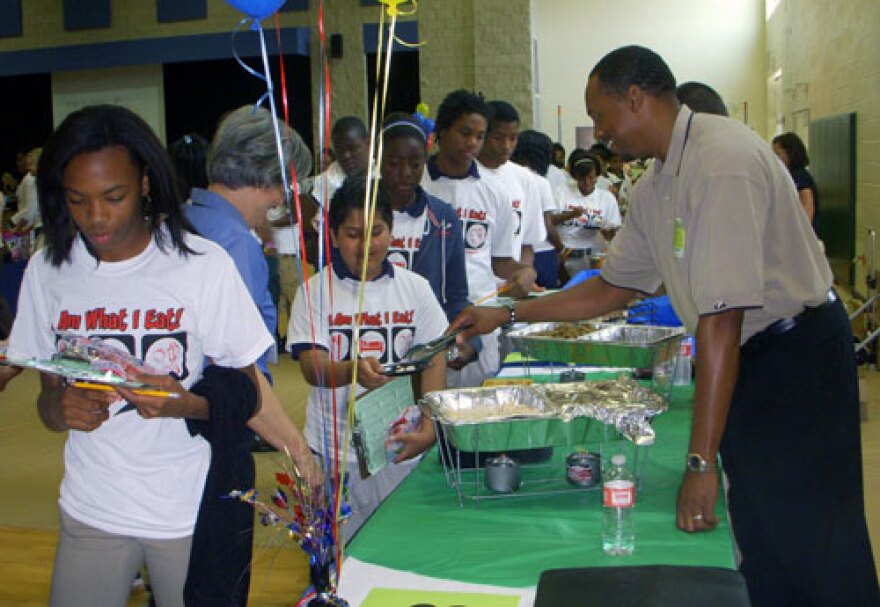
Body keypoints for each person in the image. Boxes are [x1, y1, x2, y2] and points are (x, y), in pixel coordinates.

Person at [453, 45, 879, 607]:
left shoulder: (719, 160)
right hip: (746, 364)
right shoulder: (657, 184)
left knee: (816, 535)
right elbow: (611, 287)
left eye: (602, 116)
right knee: (762, 531)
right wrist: (507, 313)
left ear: (635, 98)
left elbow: (721, 322)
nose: (599, 133)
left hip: (795, 361)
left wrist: (699, 464)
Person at [5, 104, 275, 607]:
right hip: (93, 507)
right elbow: (47, 399)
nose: (97, 217)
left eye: (114, 196)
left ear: (146, 182)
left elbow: (246, 393)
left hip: (188, 509)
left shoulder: (200, 265)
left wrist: (183, 403)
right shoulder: (49, 270)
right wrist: (59, 410)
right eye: (78, 200)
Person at [287, 176, 447, 538]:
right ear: (333, 235)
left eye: (376, 232)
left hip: (400, 446)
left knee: (399, 544)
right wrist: (352, 371)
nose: (366, 245)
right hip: (335, 453)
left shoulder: (415, 289)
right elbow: (313, 368)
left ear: (391, 232)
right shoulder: (314, 292)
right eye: (352, 234)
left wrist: (429, 426)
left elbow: (434, 358)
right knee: (339, 553)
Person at [184, 105, 320, 464]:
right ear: (264, 176)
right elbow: (238, 365)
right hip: (220, 421)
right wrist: (299, 451)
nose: (281, 200)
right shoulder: (234, 244)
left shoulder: (185, 219)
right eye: (282, 186)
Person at [422, 89, 536, 387]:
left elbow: (499, 261)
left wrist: (523, 271)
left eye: (480, 136)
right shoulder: (417, 185)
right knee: (422, 410)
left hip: (478, 314)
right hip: (424, 314)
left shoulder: (494, 192)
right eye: (465, 132)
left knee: (473, 405)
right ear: (442, 131)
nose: (472, 143)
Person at [379, 112, 481, 370]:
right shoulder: (359, 216)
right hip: (373, 344)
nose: (405, 173)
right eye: (393, 163)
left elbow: (455, 294)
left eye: (415, 164)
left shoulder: (442, 218)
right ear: (378, 160)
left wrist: (468, 341)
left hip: (427, 349)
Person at [477, 100, 547, 272]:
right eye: (498, 138)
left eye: (513, 138)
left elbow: (527, 243)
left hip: (508, 289)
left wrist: (522, 276)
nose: (506, 146)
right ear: (484, 134)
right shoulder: (466, 174)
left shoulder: (525, 179)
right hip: (473, 289)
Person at [554, 149, 621, 277]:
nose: (587, 182)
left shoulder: (606, 198)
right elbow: (549, 220)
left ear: (597, 176)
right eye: (582, 178)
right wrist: (570, 215)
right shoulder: (562, 192)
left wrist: (608, 232)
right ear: (575, 177)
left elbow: (613, 230)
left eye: (591, 177)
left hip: (594, 257)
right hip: (566, 255)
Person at [511, 129, 564, 289]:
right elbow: (547, 225)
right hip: (541, 252)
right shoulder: (540, 182)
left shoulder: (505, 178)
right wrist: (561, 248)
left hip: (512, 254)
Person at [772, 132, 819, 230]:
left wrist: (801, 232)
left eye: (778, 154)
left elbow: (807, 210)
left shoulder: (800, 176)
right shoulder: (788, 175)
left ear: (790, 153)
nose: (774, 158)